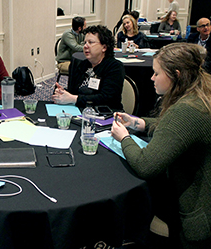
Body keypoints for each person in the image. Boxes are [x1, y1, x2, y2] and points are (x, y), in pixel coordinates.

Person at [111, 43, 211, 248]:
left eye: (156, 73)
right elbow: (175, 130)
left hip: (195, 214)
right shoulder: (199, 94)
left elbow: (146, 165)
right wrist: (138, 122)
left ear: (176, 75)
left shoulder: (185, 110)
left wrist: (124, 138)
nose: (152, 78)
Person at [52, 25, 125, 110]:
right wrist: (63, 92)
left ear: (104, 47)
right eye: (85, 43)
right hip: (80, 110)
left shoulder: (114, 67)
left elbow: (107, 98)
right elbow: (75, 91)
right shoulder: (82, 65)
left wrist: (74, 99)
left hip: (104, 114)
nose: (85, 46)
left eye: (90, 42)